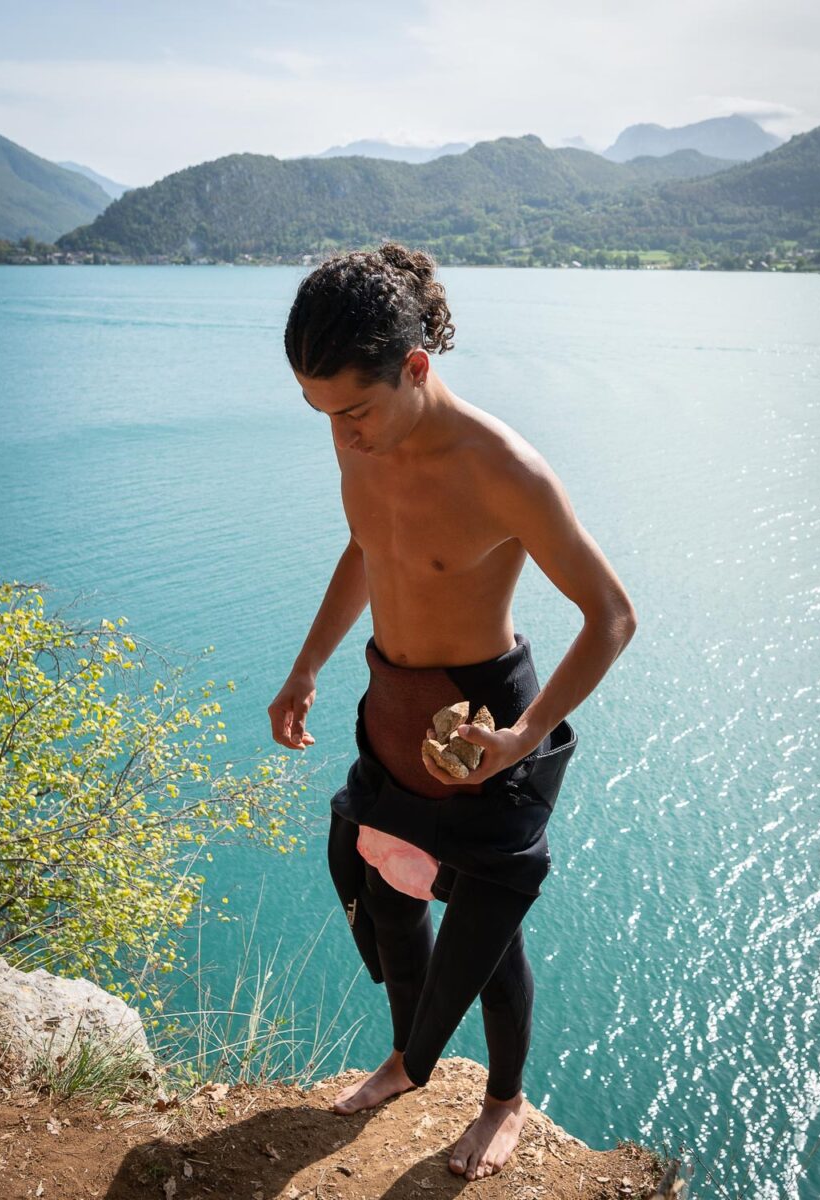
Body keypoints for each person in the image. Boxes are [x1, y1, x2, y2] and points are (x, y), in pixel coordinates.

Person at [268, 242, 637, 1182]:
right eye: (321, 413)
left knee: (489, 922)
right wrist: (308, 664)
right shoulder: (359, 429)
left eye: (354, 409)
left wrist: (521, 739)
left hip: (482, 722)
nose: (341, 434)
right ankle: (406, 1059)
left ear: (416, 368)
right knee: (384, 893)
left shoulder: (501, 467)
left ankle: (504, 1103)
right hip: (389, 705)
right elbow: (366, 545)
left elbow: (612, 615)